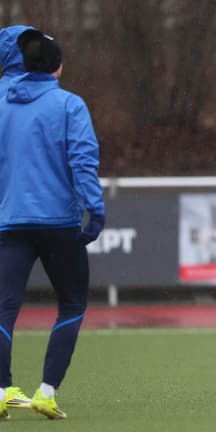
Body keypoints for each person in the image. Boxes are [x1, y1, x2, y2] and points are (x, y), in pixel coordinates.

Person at [0, 28, 105, 420]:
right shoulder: (68, 105)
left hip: (9, 222)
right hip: (59, 223)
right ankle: (45, 392)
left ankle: (1, 389)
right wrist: (95, 211)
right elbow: (82, 161)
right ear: (56, 66)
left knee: (4, 308)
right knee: (72, 303)